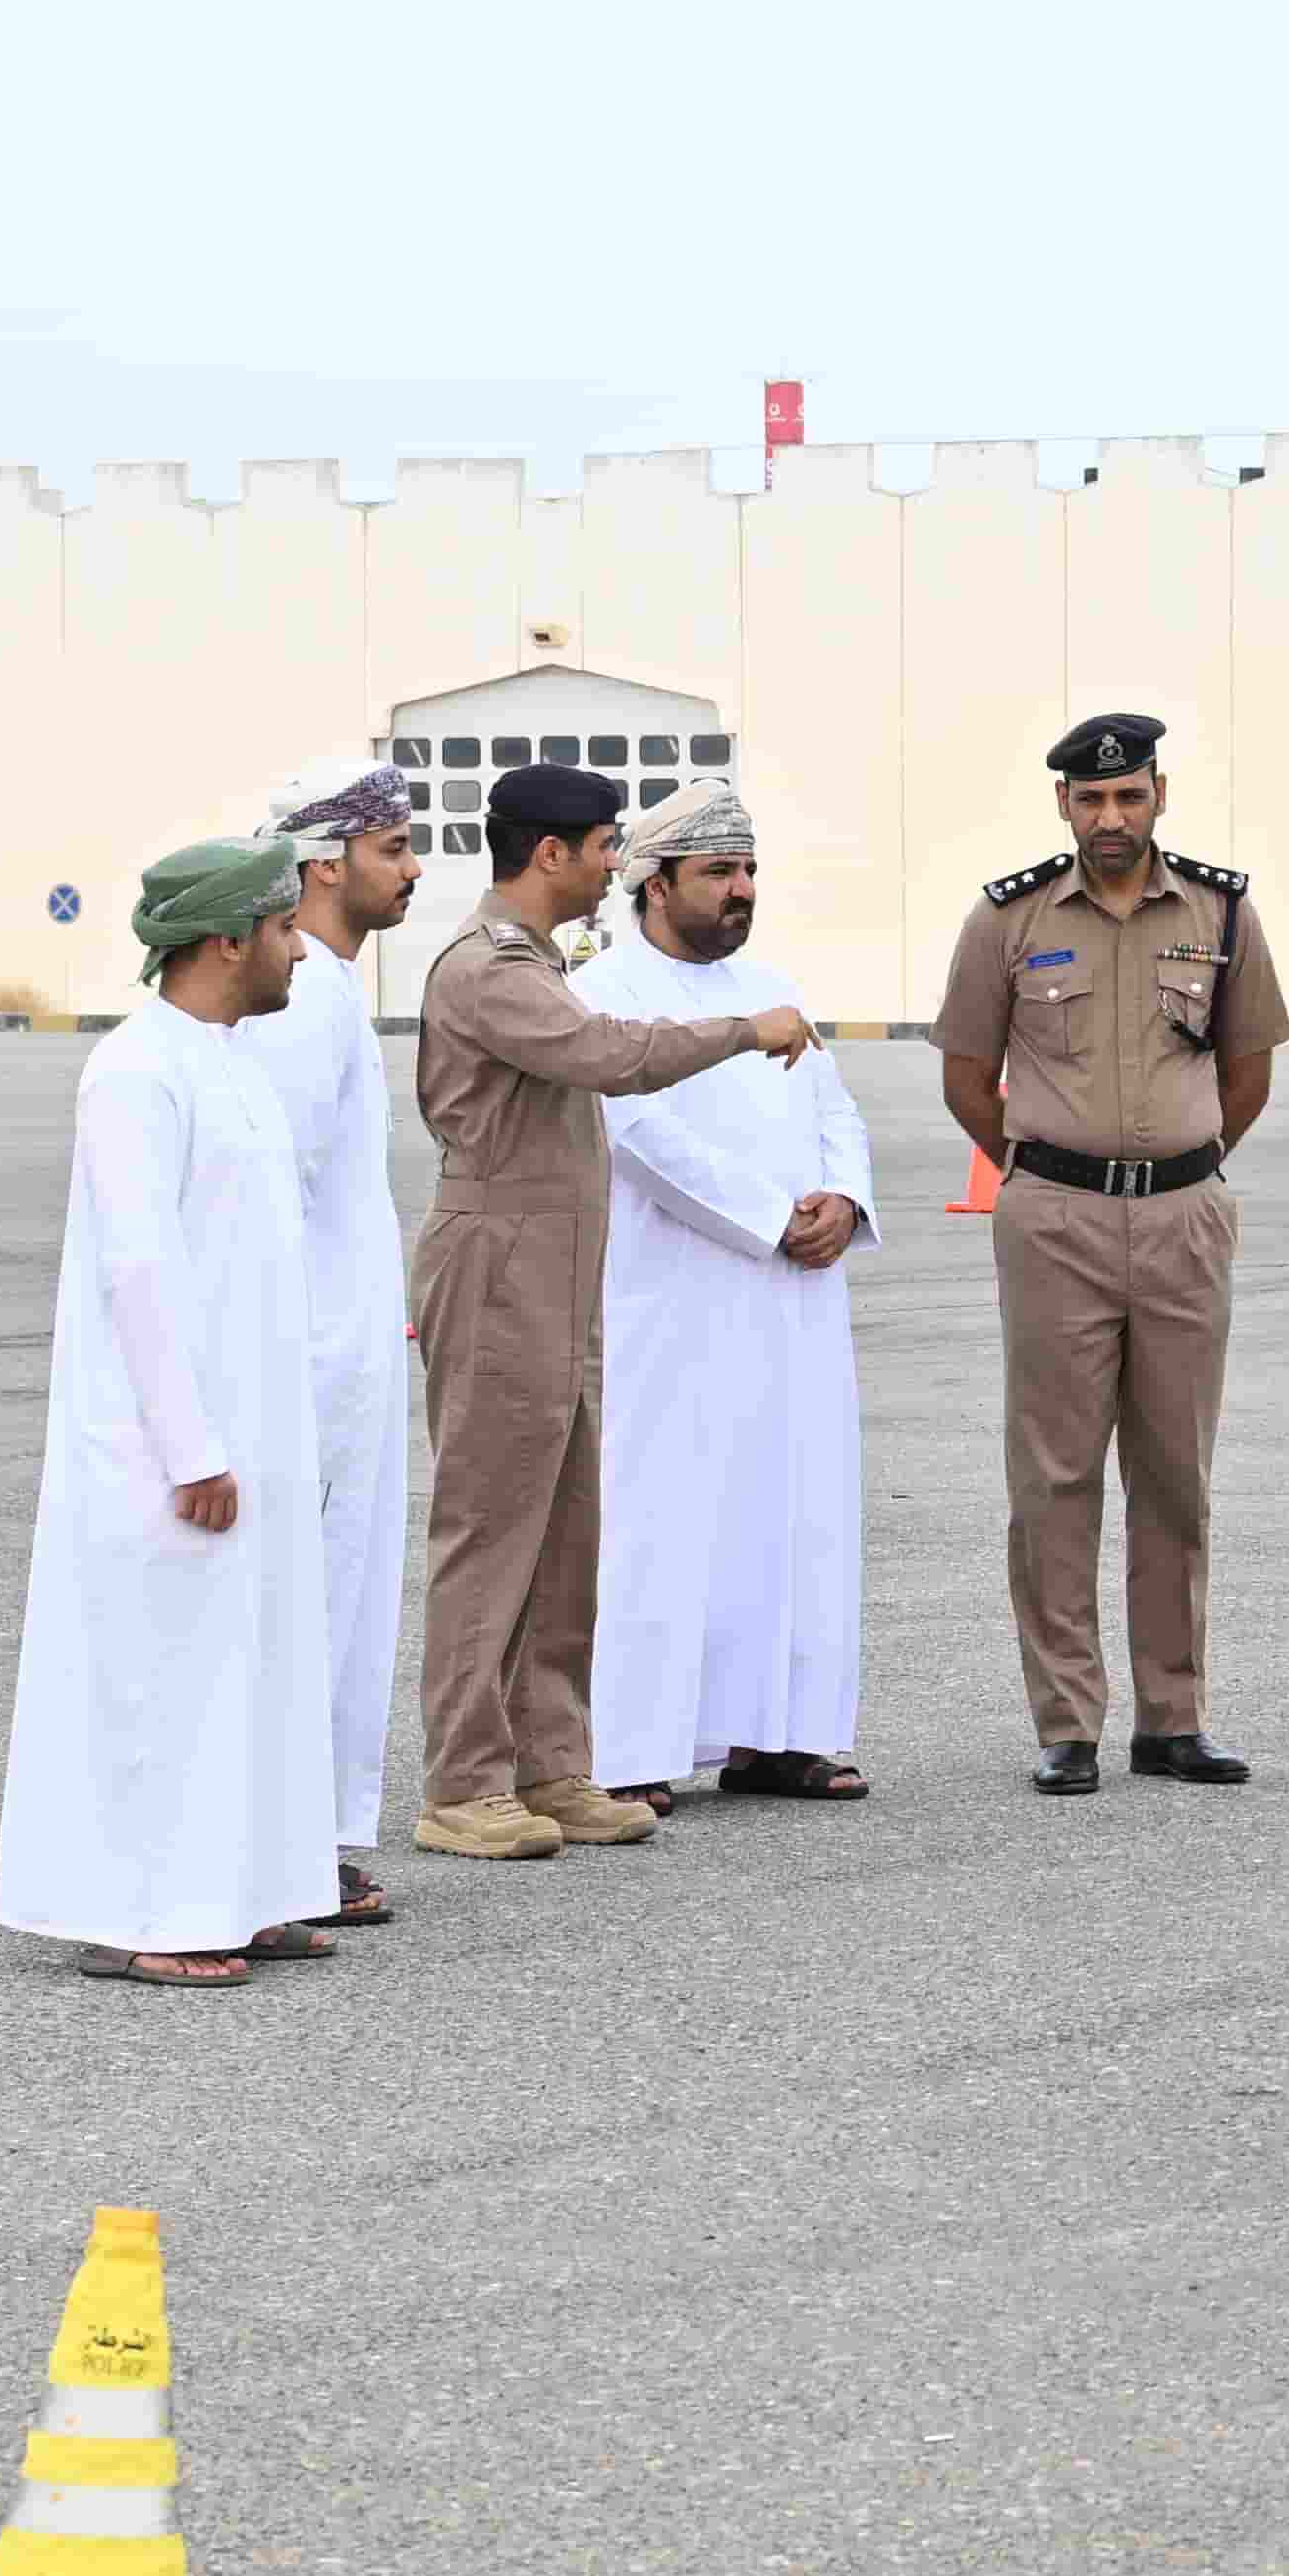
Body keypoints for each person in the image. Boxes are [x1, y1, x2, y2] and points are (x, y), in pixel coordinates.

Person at [406, 756, 810, 1861]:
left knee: (564, 1531)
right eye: (600, 848)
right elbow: (605, 1054)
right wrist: (742, 1027)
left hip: (554, 1270)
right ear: (552, 853)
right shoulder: (488, 968)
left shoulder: (537, 960)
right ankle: (463, 1781)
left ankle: (549, 1762)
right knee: (491, 1533)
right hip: (497, 1266)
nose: (609, 865)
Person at [0, 838, 340, 1988]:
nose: (298, 948)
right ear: (227, 938)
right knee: (169, 1675)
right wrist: (188, 1443)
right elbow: (137, 1269)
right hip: (172, 1437)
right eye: (282, 928)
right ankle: (157, 1911)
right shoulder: (140, 1069)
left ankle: (258, 1888)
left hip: (260, 1424)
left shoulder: (229, 1055)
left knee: (261, 1660)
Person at [934, 708, 1289, 1798]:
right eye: (1089, 799)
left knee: (1176, 1474)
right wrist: (1055, 1171)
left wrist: (1179, 1166)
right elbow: (965, 1075)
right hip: (1056, 1221)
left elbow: (1248, 1069)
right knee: (1054, 1476)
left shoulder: (1221, 910)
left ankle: (1173, 1719)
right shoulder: (1008, 918)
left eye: (1128, 796)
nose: (1109, 817)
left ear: (1159, 795)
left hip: (1184, 1217)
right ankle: (1068, 1722)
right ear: (1061, 805)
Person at [588, 777, 876, 1809]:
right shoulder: (604, 990)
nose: (741, 889)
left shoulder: (774, 982)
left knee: (794, 1508)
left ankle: (783, 1736)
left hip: (795, 1303)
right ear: (655, 884)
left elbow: (833, 1105)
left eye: (748, 869)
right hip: (679, 1297)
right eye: (719, 871)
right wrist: (768, 1215)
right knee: (664, 1515)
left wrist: (843, 1194)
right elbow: (637, 1132)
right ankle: (633, 1747)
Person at [251, 762, 430, 1931]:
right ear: (328, 864)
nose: (413, 868)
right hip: (308, 1364)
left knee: (345, 1605)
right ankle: (285, 1847)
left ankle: (302, 1841)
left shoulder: (327, 992)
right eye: (394, 847)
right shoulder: (303, 996)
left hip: (345, 1348)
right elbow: (268, 1196)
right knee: (309, 1609)